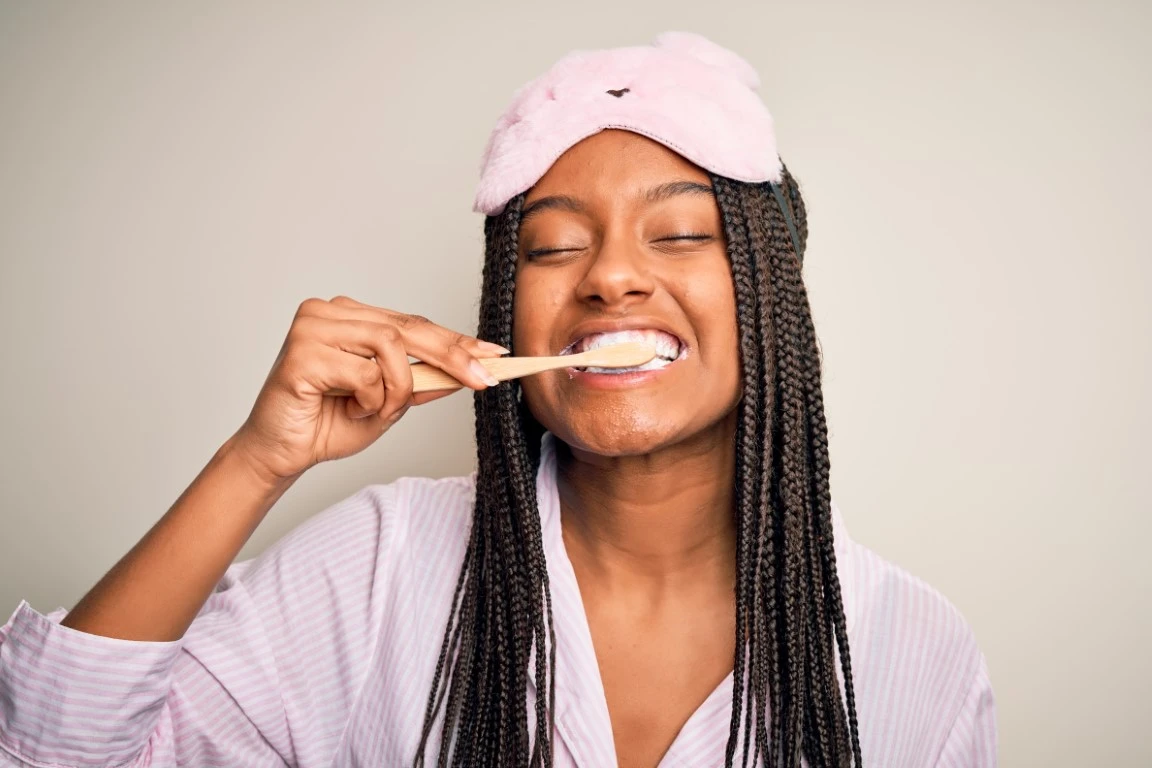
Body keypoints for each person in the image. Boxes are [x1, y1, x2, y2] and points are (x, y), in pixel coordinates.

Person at [0, 31, 996, 768]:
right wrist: (258, 460)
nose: (609, 278)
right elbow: (52, 754)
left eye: (681, 235)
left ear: (776, 296)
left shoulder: (915, 652)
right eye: (553, 248)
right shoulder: (375, 567)